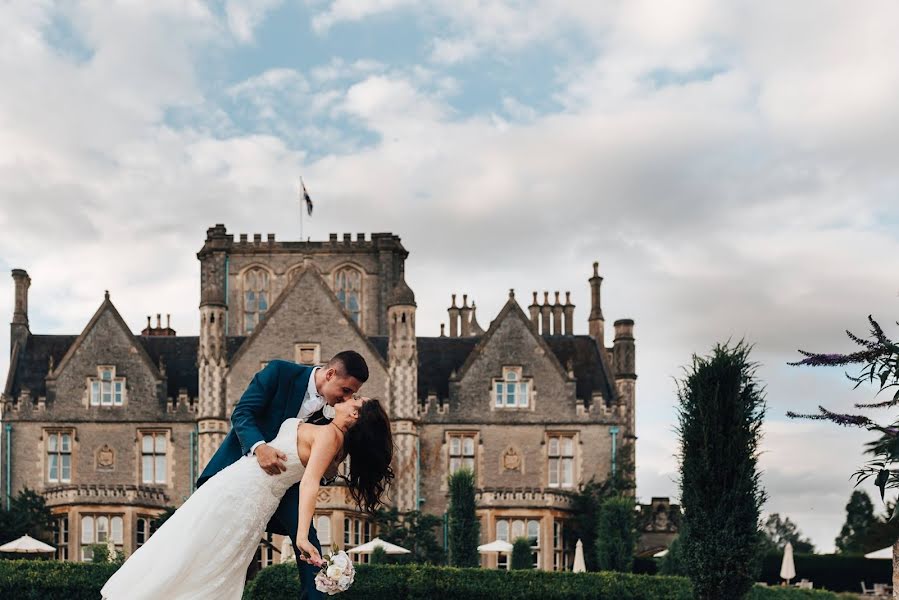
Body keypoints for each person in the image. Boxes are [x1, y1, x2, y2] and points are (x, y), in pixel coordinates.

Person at [101, 352, 394, 599]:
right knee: (201, 547)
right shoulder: (280, 372)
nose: (348, 397)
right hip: (244, 474)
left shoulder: (336, 421)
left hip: (282, 486)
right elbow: (243, 413)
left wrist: (327, 468)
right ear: (330, 374)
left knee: (304, 541)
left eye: (353, 396)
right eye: (346, 391)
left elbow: (316, 473)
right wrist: (259, 447)